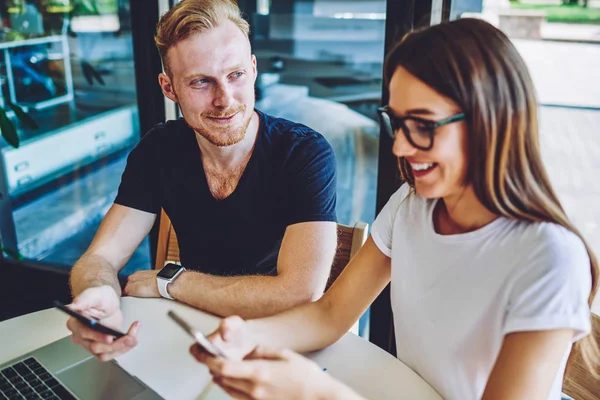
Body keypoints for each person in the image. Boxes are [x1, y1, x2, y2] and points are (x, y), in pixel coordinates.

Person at [192, 18, 600, 400]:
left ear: (489, 122)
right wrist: (246, 336)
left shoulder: (549, 260)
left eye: (423, 125)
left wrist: (317, 393)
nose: (400, 147)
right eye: (398, 122)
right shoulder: (413, 205)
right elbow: (331, 314)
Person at [65, 0, 338, 362]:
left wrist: (170, 282)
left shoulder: (304, 153)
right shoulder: (159, 149)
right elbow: (99, 257)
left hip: (278, 343)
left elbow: (299, 294)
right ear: (169, 88)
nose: (224, 100)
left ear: (253, 70)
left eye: (236, 75)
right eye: (201, 82)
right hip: (188, 332)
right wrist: (98, 296)